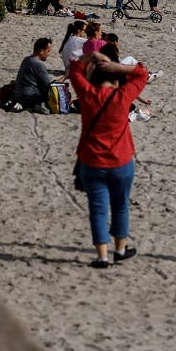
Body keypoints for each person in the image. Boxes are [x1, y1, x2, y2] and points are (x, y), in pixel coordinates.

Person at [68, 48, 150, 268]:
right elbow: (142, 73)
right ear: (115, 81)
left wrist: (90, 58)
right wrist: (115, 65)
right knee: (121, 206)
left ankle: (102, 256)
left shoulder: (88, 94)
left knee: (98, 209)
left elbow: (74, 68)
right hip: (121, 161)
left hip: (92, 162)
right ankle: (120, 250)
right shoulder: (122, 97)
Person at [11, 37, 55, 113]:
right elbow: (48, 85)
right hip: (29, 96)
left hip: (17, 95)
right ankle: (35, 106)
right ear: (41, 51)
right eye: (48, 51)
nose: (49, 54)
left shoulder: (27, 59)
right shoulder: (38, 64)